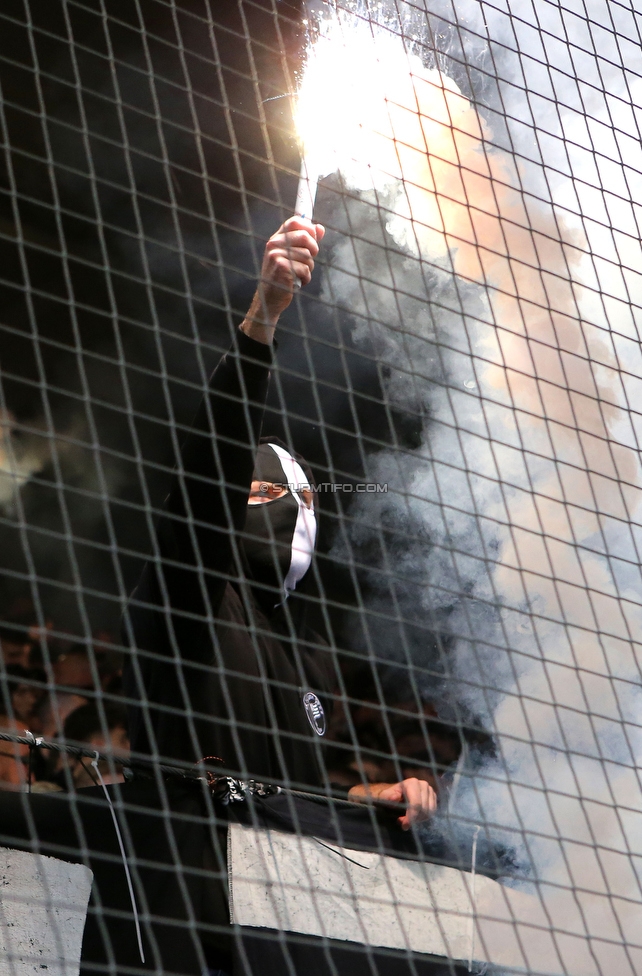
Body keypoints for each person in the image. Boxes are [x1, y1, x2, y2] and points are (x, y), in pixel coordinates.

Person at [123, 216, 435, 830]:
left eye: (306, 500)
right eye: (266, 490)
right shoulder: (191, 589)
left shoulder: (313, 654)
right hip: (185, 875)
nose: (293, 511)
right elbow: (211, 461)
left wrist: (366, 799)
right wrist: (263, 316)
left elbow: (289, 799)